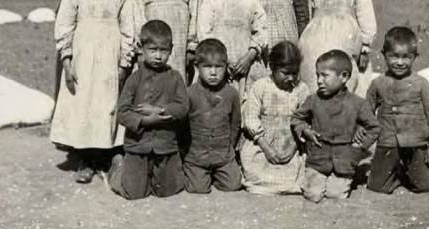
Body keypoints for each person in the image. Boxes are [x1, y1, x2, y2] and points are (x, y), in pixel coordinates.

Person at [50, 0, 135, 184]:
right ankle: (85, 158)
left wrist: (124, 63)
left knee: (107, 104)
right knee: (84, 104)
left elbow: (129, 28)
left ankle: (109, 154)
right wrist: (66, 60)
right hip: (83, 57)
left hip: (110, 56)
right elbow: (64, 25)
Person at [109, 20, 189, 200]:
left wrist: (159, 110)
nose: (158, 56)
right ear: (141, 48)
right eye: (153, 50)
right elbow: (122, 112)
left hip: (165, 145)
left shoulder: (175, 78)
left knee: (167, 191)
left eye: (163, 50)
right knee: (134, 193)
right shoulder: (134, 79)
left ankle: (156, 174)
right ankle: (118, 167)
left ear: (171, 49)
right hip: (139, 145)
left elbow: (183, 107)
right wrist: (145, 121)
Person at [290, 49, 380, 202]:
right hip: (318, 159)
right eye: (317, 75)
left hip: (344, 162)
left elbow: (374, 127)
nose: (319, 80)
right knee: (312, 195)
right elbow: (297, 118)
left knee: (336, 195)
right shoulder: (313, 100)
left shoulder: (357, 103)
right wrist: (305, 130)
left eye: (324, 75)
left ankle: (343, 179)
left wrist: (360, 147)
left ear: (344, 77)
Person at [365, 26, 429, 194]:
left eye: (406, 57)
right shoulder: (378, 83)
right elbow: (367, 111)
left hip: (415, 143)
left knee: (426, 186)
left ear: (415, 57)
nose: (400, 62)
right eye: (394, 56)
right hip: (387, 141)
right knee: (376, 186)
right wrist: (363, 133)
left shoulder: (421, 83)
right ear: (384, 55)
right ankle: (396, 173)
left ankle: (409, 172)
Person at [241, 41, 310, 195]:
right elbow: (251, 118)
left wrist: (293, 148)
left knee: (297, 173)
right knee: (256, 172)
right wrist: (266, 148)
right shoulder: (261, 87)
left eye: (295, 73)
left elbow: (305, 120)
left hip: (291, 145)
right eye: (285, 73)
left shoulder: (301, 89)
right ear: (272, 68)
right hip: (263, 144)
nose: (291, 78)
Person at [198, 0, 268, 99]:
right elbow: (204, 33)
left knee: (247, 103)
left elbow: (261, 32)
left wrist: (249, 57)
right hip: (217, 65)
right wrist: (222, 60)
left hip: (246, 66)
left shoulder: (251, 1)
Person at [182, 39, 243, 194]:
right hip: (197, 155)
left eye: (219, 67)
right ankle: (196, 172)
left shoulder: (231, 94)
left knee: (233, 185)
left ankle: (217, 173)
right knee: (198, 188)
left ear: (226, 67)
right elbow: (182, 127)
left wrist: (229, 148)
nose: (214, 72)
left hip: (222, 154)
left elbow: (235, 124)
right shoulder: (190, 93)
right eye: (207, 67)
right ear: (197, 67)